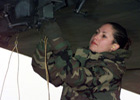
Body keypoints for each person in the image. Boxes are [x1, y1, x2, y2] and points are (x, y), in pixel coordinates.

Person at [32, 21, 131, 100]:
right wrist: (48, 43)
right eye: (97, 32)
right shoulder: (82, 60)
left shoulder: (112, 70)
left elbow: (76, 79)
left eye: (103, 36)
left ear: (114, 46)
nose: (96, 37)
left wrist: (57, 41)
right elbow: (50, 74)